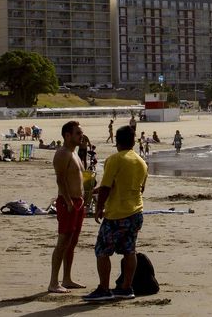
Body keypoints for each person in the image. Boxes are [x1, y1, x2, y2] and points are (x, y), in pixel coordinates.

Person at [84, 125, 149, 302]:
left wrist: (99, 207)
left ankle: (104, 289)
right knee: (129, 250)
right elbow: (139, 187)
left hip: (117, 213)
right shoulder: (141, 162)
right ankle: (126, 287)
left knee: (102, 250)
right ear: (134, 141)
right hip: (136, 211)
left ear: (117, 142)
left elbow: (106, 186)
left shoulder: (115, 159)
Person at [49, 120, 86, 294]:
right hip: (67, 202)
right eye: (78, 133)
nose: (81, 136)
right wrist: (69, 202)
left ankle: (67, 278)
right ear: (67, 135)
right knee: (63, 242)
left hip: (78, 202)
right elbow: (60, 179)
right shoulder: (62, 153)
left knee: (72, 242)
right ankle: (53, 282)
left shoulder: (75, 153)